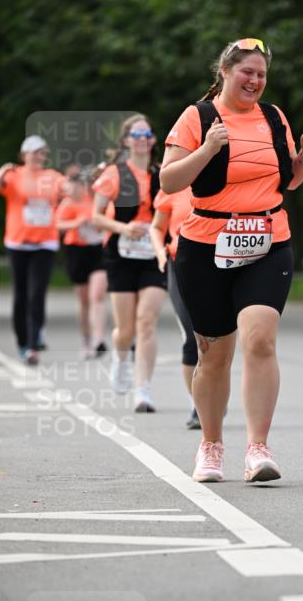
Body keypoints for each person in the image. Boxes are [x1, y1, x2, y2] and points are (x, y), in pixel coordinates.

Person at [160, 37, 303, 483]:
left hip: (268, 241)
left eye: (261, 75)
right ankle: (211, 445)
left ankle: (258, 449)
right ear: (226, 72)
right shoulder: (198, 117)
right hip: (206, 246)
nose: (255, 81)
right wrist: (207, 149)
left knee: (260, 339)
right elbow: (170, 180)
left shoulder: (273, 117)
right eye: (247, 72)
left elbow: (288, 181)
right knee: (213, 354)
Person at [91, 115, 167, 412]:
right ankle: (121, 359)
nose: (141, 138)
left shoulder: (164, 174)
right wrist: (124, 228)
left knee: (146, 322)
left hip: (153, 254)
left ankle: (143, 389)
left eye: (146, 133)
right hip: (121, 255)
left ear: (153, 139)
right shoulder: (113, 174)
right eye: (135, 134)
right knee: (125, 330)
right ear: (125, 141)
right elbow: (96, 216)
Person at [0, 135, 64, 365]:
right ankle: (22, 342)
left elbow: (71, 193)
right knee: (21, 295)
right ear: (24, 154)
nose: (39, 156)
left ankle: (34, 343)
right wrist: (3, 170)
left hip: (45, 243)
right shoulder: (13, 176)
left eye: (42, 152)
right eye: (34, 152)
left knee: (37, 294)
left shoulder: (52, 177)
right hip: (18, 243)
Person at [149, 184, 201, 428]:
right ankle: (197, 404)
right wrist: (160, 252)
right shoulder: (172, 185)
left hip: (216, 266)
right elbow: (157, 227)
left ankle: (213, 392)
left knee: (216, 340)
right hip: (178, 264)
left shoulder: (222, 177)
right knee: (192, 338)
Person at [55, 167, 108, 358]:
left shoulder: (102, 201)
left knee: (98, 295)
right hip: (77, 251)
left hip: (98, 251)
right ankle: (86, 338)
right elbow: (57, 225)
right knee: (84, 300)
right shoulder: (72, 201)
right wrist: (77, 223)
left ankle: (98, 339)